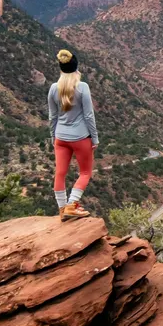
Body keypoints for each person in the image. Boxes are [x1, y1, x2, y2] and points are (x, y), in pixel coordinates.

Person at [48, 49, 98, 220]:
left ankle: (63, 209)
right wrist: (95, 138)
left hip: (60, 137)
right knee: (85, 173)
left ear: (61, 69)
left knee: (60, 173)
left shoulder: (54, 88)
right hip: (81, 137)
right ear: (76, 68)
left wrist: (53, 137)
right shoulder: (82, 87)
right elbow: (89, 115)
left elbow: (52, 117)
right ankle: (72, 205)